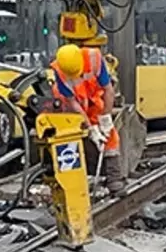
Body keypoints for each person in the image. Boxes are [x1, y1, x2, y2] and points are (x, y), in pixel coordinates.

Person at [51, 43, 120, 180]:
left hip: (93, 97)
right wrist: (90, 128)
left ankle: (114, 176)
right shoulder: (60, 71)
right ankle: (81, 175)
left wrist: (105, 119)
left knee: (109, 134)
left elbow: (108, 90)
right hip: (73, 104)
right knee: (74, 133)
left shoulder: (93, 57)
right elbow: (72, 103)